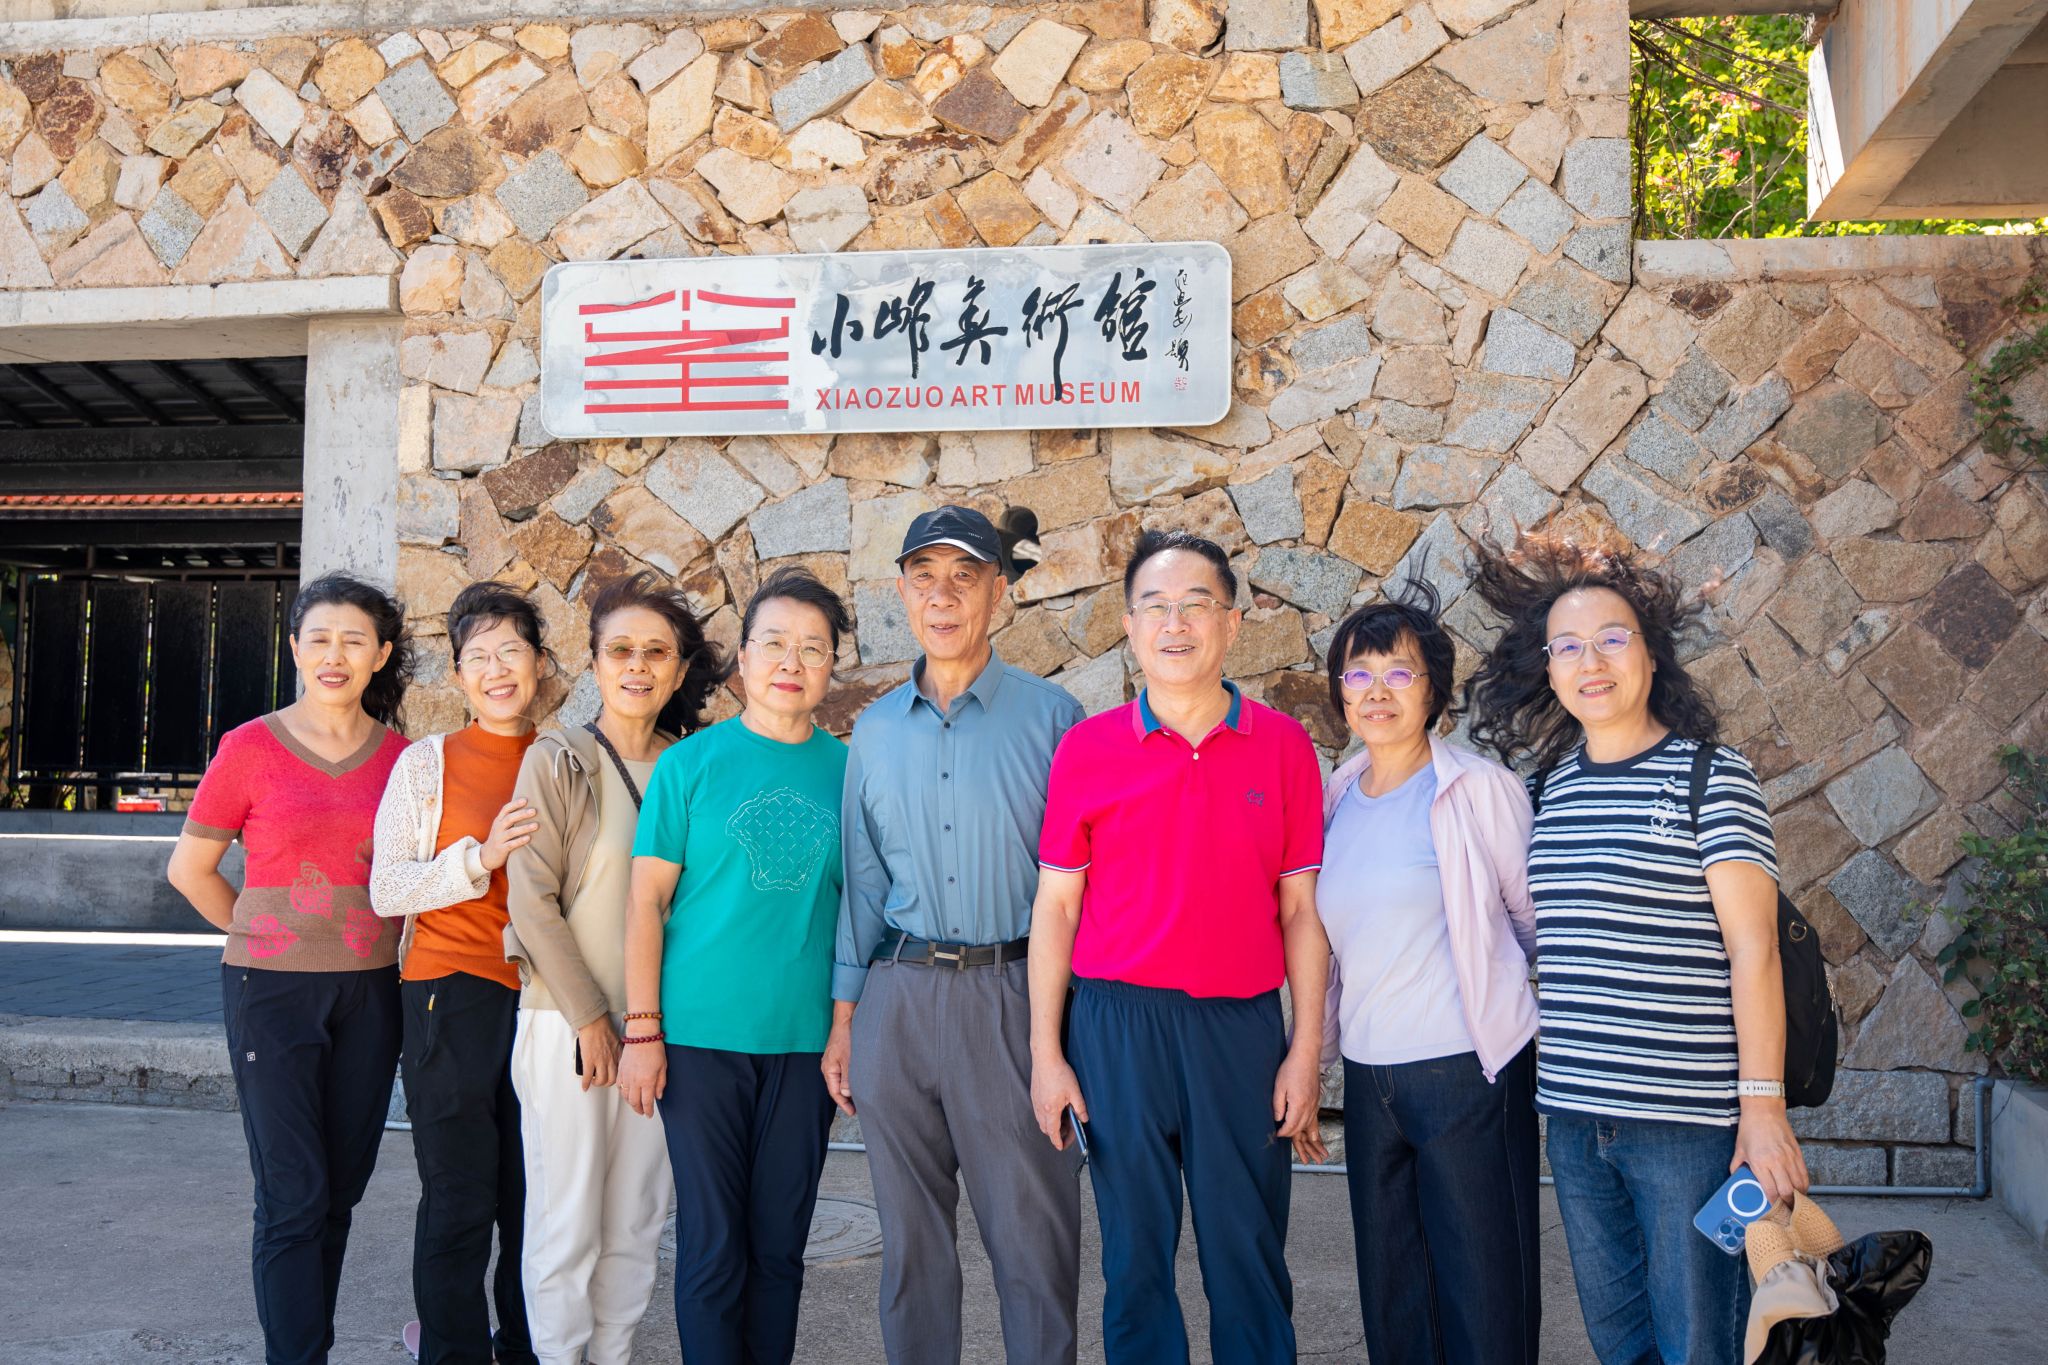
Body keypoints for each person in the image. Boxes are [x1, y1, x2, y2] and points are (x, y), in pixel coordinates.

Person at [1465, 533, 1808, 1365]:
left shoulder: (1709, 776)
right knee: (1619, 1340)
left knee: (1701, 1341)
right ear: (1549, 671)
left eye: (1612, 638)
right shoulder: (1546, 791)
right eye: (1568, 646)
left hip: (1688, 1127)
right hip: (1575, 1120)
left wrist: (1763, 1111)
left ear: (1651, 657)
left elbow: (1755, 951)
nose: (1591, 661)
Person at [1027, 528, 1328, 1365]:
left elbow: (1301, 911)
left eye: (1197, 604)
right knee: (1134, 1263)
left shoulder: (1283, 745)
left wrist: (1306, 1050)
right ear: (1129, 626)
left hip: (1238, 1029)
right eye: (1155, 606)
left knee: (1248, 1257)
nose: (1175, 622)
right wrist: (1047, 1054)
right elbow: (1056, 906)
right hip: (1115, 1028)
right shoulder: (1087, 749)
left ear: (1232, 623)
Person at [825, 505, 1085, 1365]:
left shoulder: (1055, 720)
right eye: (924, 577)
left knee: (1033, 1245)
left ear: (997, 592)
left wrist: (1063, 1034)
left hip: (1012, 997)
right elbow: (864, 881)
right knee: (911, 1253)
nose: (942, 597)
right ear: (902, 592)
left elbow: (1079, 890)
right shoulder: (873, 729)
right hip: (897, 1001)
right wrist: (845, 1020)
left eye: (963, 577)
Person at [166, 572, 415, 1365]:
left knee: (338, 1189)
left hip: (372, 990)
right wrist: (265, 934)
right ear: (296, 649)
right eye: (319, 639)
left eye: (353, 640)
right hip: (269, 992)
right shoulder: (248, 747)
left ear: (380, 654)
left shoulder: (406, 762)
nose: (335, 655)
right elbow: (189, 870)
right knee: (292, 1192)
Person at [617, 568, 852, 1365]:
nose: (792, 661)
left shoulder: (850, 773)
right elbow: (645, 902)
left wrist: (846, 1028)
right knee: (714, 1245)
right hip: (698, 1039)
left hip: (803, 1040)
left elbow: (860, 913)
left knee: (780, 1247)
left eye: (812, 647)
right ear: (743, 658)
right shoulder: (689, 766)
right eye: (774, 642)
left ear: (831, 666)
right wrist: (642, 1030)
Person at [1305, 583, 1541, 1365]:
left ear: (1434, 688)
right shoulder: (1336, 796)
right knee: (1394, 1292)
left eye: (1398, 673)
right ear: (1340, 691)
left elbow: (1530, 922)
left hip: (1467, 1070)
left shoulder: (1479, 789)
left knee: (1484, 1290)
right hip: (1370, 1076)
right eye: (1358, 674)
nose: (1376, 691)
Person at [503, 571, 726, 1365]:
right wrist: (591, 1017)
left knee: (635, 1221)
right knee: (565, 1224)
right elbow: (531, 900)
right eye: (620, 649)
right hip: (567, 1026)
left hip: (658, 1036)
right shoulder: (557, 760)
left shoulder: (694, 766)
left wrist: (647, 1027)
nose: (637, 665)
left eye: (656, 652)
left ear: (679, 667)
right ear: (594, 661)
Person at [370, 582, 552, 1365]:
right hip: (449, 994)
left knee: (534, 1198)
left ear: (540, 664)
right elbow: (388, 887)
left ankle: (526, 1346)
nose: (496, 669)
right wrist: (482, 856)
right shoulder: (426, 763)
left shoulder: (566, 758)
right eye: (479, 656)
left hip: (547, 1001)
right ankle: (451, 1354)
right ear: (457, 674)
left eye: (511, 650)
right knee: (458, 1196)